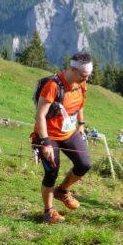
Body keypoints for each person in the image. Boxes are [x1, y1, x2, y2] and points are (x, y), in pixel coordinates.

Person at [32, 52, 93, 224]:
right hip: (48, 135)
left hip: (69, 132)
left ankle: (62, 190)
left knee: (84, 164)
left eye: (89, 75)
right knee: (52, 171)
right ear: (72, 69)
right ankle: (48, 211)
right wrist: (45, 143)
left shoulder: (81, 84)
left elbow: (80, 104)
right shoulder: (53, 85)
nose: (86, 79)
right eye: (83, 75)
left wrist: (81, 124)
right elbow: (40, 115)